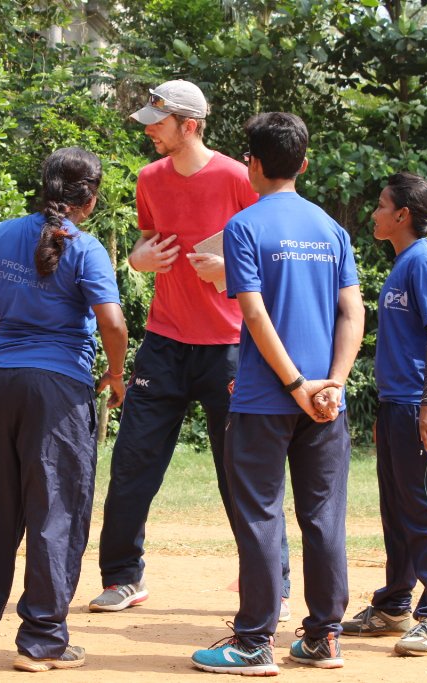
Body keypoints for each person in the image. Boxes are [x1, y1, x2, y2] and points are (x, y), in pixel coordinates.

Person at [90, 79, 293, 619]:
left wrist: (230, 269)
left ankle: (272, 578)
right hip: (164, 343)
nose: (149, 130)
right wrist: (137, 261)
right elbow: (144, 239)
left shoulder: (237, 177)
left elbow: (274, 248)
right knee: (133, 462)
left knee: (243, 470)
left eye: (158, 122)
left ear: (191, 125)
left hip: (231, 347)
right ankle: (123, 578)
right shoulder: (149, 178)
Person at [0, 147, 128, 672]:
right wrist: (116, 373)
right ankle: (41, 640)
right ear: (89, 199)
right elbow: (113, 323)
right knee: (55, 509)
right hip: (58, 390)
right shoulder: (85, 248)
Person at [190, 112, 364, 675]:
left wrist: (294, 384)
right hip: (326, 404)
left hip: (268, 399)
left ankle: (254, 642)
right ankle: (324, 638)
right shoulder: (332, 229)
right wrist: (331, 382)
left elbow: (255, 312)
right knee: (323, 517)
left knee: (261, 515)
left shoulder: (245, 226)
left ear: (253, 165)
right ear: (305, 163)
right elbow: (352, 311)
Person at [339, 172, 427, 657]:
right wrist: (391, 406)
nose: (373, 212)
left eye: (380, 204)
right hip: (401, 406)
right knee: (397, 511)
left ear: (402, 215)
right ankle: (394, 605)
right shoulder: (403, 263)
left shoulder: (424, 262)